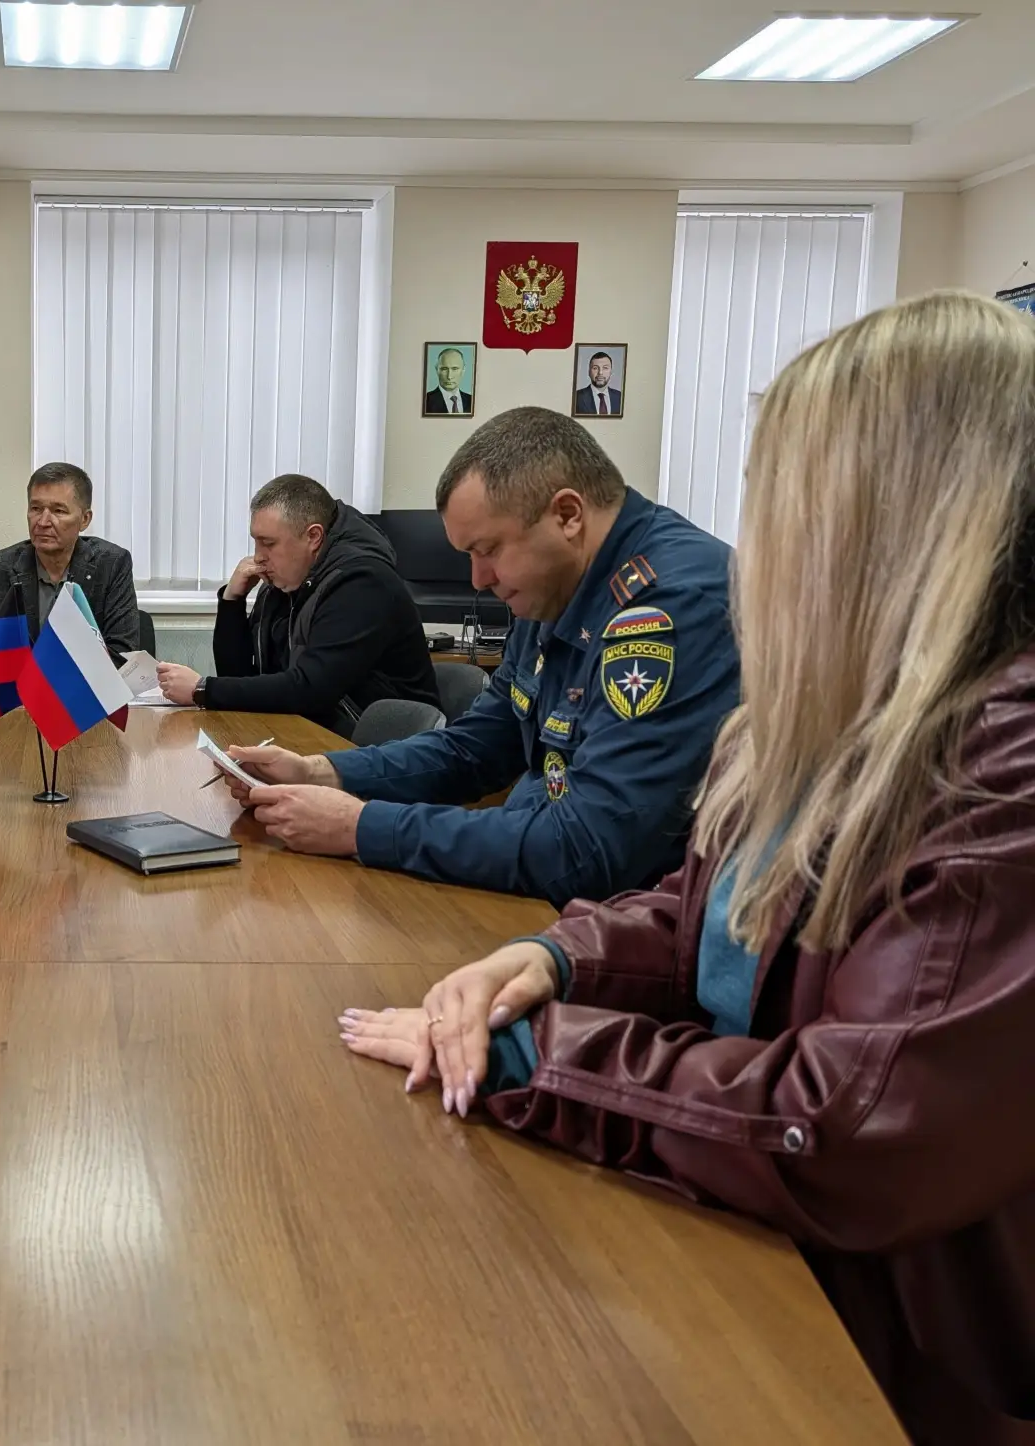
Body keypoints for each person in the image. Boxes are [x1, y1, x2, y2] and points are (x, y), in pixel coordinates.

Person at [336, 291, 1035, 1446]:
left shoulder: (1002, 764)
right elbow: (714, 907)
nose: (759, 541)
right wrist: (555, 958)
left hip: (898, 1364)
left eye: (790, 496)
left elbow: (848, 1130)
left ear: (908, 513)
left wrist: (539, 1054)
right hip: (760, 1245)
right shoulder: (847, 705)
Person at [223, 408, 737, 906]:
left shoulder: (671, 608)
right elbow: (477, 748)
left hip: (630, 922)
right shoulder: (555, 584)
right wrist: (321, 772)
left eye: (488, 550)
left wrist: (360, 826)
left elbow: (589, 850)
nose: (478, 579)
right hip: (553, 893)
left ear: (567, 515)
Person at [155, 473, 440, 735]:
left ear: (313, 537)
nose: (258, 556)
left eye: (269, 543)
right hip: (310, 733)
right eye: (256, 542)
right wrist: (232, 601)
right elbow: (240, 676)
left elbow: (312, 689)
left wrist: (203, 689)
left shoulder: (363, 582)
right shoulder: (286, 582)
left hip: (381, 749)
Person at [0, 461, 139, 678]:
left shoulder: (111, 564)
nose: (43, 521)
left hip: (81, 694)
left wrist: (48, 678)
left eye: (58, 511)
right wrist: (0, 668)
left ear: (85, 519)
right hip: (14, 692)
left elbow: (123, 652)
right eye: (36, 509)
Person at [424, 347, 474, 415]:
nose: (449, 376)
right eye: (444, 369)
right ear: (436, 370)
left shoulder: (472, 400)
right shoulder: (425, 400)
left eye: (455, 369)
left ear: (463, 370)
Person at [573, 350, 622, 417]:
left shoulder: (620, 397)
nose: (600, 372)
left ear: (611, 372)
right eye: (595, 368)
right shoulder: (576, 397)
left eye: (605, 368)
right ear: (589, 372)